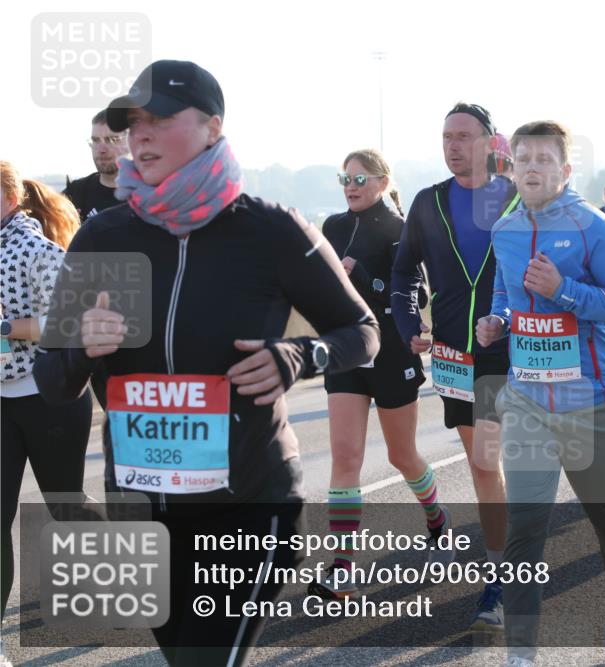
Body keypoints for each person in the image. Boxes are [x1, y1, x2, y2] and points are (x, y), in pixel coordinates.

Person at [32, 60, 380, 666]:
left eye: (158, 119)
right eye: (130, 124)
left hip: (248, 507)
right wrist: (77, 348)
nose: (138, 136)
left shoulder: (270, 229)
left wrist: (300, 355)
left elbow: (362, 331)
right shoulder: (105, 238)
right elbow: (53, 381)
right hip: (141, 511)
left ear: (213, 128)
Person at [476, 120, 605, 665]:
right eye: (522, 157)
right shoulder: (504, 230)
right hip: (526, 399)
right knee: (525, 523)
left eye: (544, 159)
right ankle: (520, 653)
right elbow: (505, 289)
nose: (530, 166)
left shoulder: (594, 227)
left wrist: (564, 291)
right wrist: (498, 320)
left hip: (591, 401)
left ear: (565, 170)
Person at [391, 102, 519, 630]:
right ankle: (502, 570)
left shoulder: (517, 198)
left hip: (509, 348)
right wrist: (408, 329)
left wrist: (505, 317)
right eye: (446, 136)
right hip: (452, 354)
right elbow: (403, 275)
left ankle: (500, 578)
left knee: (492, 459)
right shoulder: (427, 203)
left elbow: (544, 263)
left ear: (490, 143)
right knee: (484, 462)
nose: (452, 145)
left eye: (463, 136)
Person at [306, 149, 454, 600]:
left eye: (360, 178)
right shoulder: (332, 227)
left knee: (402, 456)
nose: (351, 186)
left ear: (384, 181)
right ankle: (344, 567)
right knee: (345, 457)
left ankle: (438, 521)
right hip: (348, 353)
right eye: (344, 178)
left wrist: (365, 276)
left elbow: (418, 295)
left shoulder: (400, 228)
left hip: (391, 352)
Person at [1, 162, 93, 639]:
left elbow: (65, 322)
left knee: (66, 505)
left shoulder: (39, 250)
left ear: (11, 200)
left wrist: (4, 328)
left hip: (49, 394)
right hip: (0, 400)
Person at [63, 109, 130, 221]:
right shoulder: (74, 195)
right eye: (96, 140)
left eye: (112, 139)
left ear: (133, 140)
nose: (101, 149)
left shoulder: (153, 195)